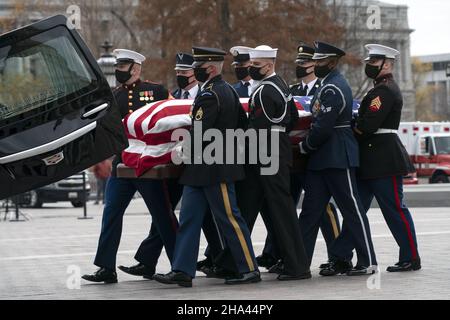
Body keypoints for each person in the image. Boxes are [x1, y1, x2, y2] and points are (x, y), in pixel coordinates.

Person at [153, 47, 260, 287]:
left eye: (198, 67)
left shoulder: (211, 95)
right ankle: (182, 269)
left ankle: (249, 268)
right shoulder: (229, 92)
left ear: (210, 68)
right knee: (189, 218)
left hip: (215, 168)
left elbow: (200, 132)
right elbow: (243, 126)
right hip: (202, 169)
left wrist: (180, 151)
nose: (194, 71)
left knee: (230, 219)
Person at [82, 49, 183, 284]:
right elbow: (106, 131)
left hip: (149, 163)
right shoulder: (114, 96)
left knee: (162, 216)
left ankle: (180, 265)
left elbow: (174, 118)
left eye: (123, 66)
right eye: (117, 66)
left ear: (136, 69)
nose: (118, 70)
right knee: (111, 213)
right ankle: (106, 267)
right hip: (123, 164)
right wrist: (102, 159)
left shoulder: (156, 91)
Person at [326, 44, 420, 273]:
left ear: (386, 64)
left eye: (374, 63)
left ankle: (411, 257)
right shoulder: (378, 89)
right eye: (369, 63)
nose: (369, 66)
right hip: (370, 159)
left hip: (383, 159)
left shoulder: (384, 91)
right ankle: (340, 256)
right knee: (355, 211)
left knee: (395, 210)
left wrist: (351, 127)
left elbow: (368, 125)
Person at [298, 41, 377, 276]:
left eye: (320, 62)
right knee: (310, 212)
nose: (316, 65)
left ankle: (368, 261)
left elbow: (323, 126)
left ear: (332, 62)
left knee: (352, 210)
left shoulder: (334, 87)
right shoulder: (326, 85)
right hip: (322, 159)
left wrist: (306, 145)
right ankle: (298, 263)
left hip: (337, 155)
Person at [234, 45, 311, 281]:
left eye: (255, 66)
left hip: (266, 151)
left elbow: (258, 126)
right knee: (250, 203)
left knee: (281, 208)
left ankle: (297, 267)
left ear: (268, 65)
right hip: (275, 148)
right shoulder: (282, 86)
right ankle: (232, 260)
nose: (251, 69)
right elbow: (293, 118)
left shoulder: (265, 91)